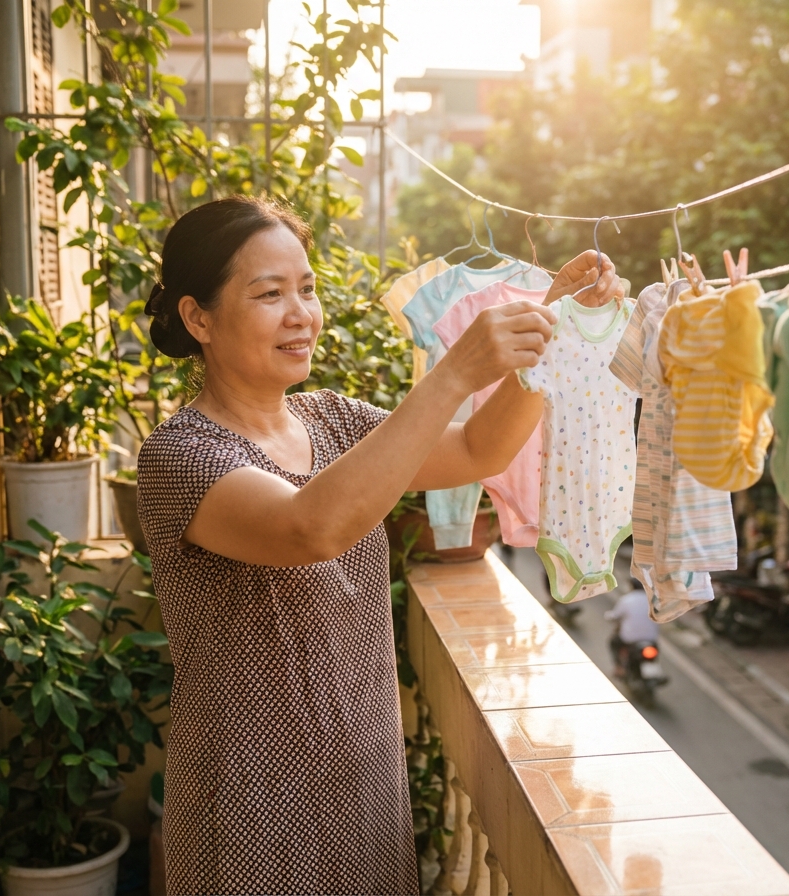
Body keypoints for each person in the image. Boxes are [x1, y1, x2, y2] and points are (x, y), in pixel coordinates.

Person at [135, 195, 622, 896]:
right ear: (197, 317)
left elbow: (482, 448)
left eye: (307, 288)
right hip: (247, 805)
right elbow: (312, 528)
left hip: (364, 784)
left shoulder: (332, 417)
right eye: (270, 294)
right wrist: (454, 372)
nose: (301, 313)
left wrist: (549, 334)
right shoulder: (180, 456)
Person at [605, 579, 659, 677]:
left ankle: (619, 668)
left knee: (614, 642)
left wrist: (608, 616)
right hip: (650, 638)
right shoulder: (653, 601)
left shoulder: (626, 599)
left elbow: (614, 615)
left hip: (630, 638)